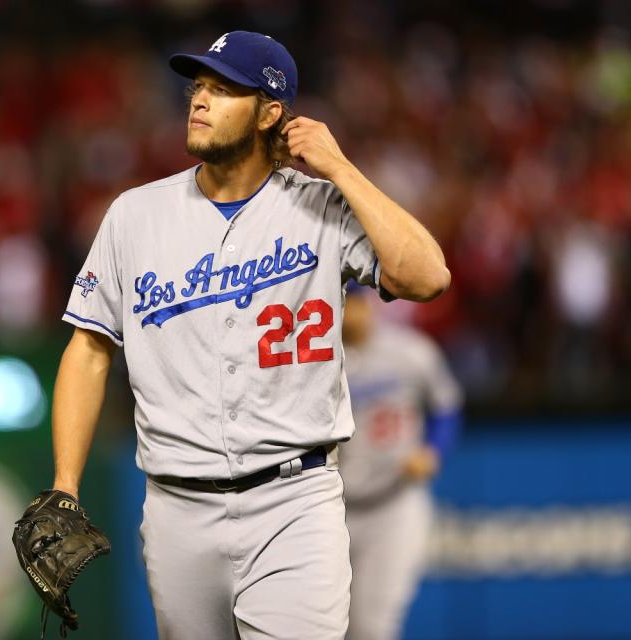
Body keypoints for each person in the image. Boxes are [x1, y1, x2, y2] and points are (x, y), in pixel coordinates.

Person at [51, 30, 450, 639]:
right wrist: (65, 484)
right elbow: (89, 351)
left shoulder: (323, 207)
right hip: (177, 506)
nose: (200, 100)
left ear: (271, 113)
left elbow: (427, 276)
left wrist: (341, 168)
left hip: (295, 500)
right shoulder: (135, 215)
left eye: (223, 89)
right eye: (198, 87)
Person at [340, 285, 463, 640]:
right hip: (332, 507)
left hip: (393, 505)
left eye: (357, 302)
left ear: (369, 303)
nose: (352, 312)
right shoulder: (316, 358)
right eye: (343, 303)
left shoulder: (410, 351)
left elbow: (447, 406)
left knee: (371, 628)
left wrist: (433, 450)